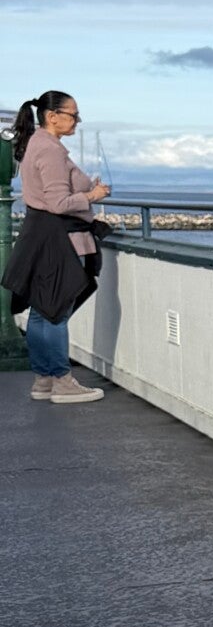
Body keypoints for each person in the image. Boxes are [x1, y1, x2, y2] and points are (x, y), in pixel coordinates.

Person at [5, 92, 108, 405]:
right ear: (52, 116)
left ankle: (44, 380)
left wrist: (85, 187)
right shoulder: (50, 150)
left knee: (41, 313)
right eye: (73, 114)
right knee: (56, 313)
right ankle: (63, 382)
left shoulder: (37, 144)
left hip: (42, 237)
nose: (77, 120)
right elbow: (58, 203)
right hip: (60, 241)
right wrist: (93, 196)